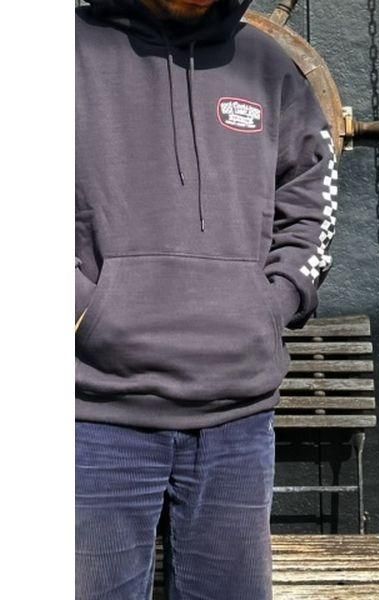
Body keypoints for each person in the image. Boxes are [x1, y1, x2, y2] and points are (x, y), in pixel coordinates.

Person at [75, 0, 339, 598]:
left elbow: (311, 195)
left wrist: (276, 301)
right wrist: (84, 312)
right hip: (91, 415)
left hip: (236, 418)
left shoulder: (267, 65)